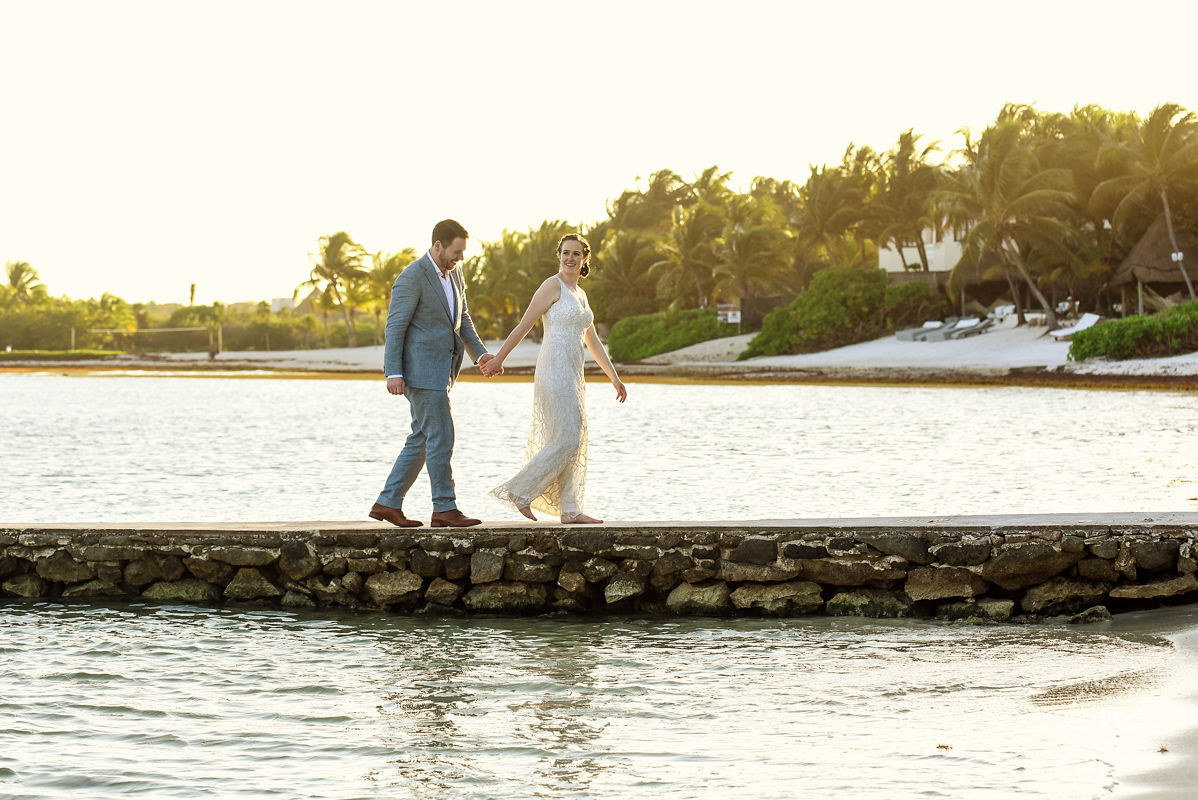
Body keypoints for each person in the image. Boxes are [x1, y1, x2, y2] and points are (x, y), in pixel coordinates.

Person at [482, 233, 626, 524]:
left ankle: (570, 509)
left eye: (576, 254)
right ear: (559, 255)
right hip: (553, 370)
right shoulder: (552, 285)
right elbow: (524, 324)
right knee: (568, 437)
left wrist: (614, 377)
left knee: (576, 435)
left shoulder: (580, 294)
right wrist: (498, 359)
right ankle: (520, 490)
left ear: (585, 259)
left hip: (574, 373)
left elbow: (593, 340)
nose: (570, 258)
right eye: (565, 253)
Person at [369, 219, 497, 528]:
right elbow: (395, 327)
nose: (460, 258)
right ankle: (444, 508)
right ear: (437, 245)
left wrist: (481, 354)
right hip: (420, 372)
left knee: (424, 438)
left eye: (462, 252)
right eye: (456, 251)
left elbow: (461, 318)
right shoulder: (412, 277)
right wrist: (393, 372)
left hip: (444, 370)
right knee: (441, 436)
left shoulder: (456, 274)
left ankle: (388, 503)